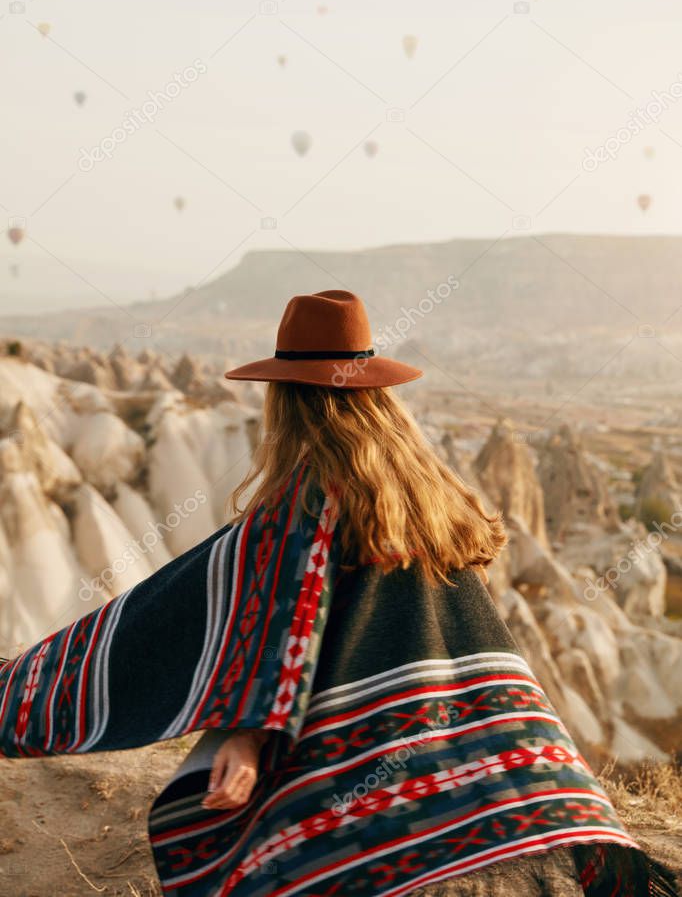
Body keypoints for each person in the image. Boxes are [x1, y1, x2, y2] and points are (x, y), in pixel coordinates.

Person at [0, 291, 677, 897]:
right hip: (476, 770)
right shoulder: (425, 493)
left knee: (237, 853)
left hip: (358, 771)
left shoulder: (301, 508)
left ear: (285, 397)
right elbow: (300, 625)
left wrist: (244, 731)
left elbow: (190, 617)